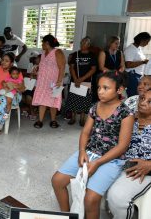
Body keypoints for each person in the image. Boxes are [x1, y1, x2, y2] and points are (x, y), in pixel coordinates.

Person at [51, 71, 134, 219]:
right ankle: (66, 215)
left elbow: (123, 146)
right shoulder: (95, 107)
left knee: (90, 199)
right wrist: (82, 151)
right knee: (57, 181)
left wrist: (98, 163)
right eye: (98, 87)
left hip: (111, 159)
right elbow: (85, 133)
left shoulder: (126, 113)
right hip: (89, 152)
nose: (100, 92)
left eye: (106, 88)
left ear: (119, 90)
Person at [107, 89, 151, 219]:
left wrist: (149, 164)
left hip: (143, 171)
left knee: (117, 196)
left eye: (149, 101)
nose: (143, 103)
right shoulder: (129, 118)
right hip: (120, 163)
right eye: (142, 98)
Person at [32, 34, 66, 129]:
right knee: (42, 101)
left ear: (47, 43)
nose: (42, 44)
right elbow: (44, 66)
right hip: (43, 82)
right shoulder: (43, 54)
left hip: (55, 82)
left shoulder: (57, 52)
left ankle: (53, 120)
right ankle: (40, 120)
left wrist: (59, 81)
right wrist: (36, 71)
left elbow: (62, 67)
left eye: (42, 42)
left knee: (53, 101)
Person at [65, 37, 97, 126]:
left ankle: (82, 119)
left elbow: (93, 69)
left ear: (89, 45)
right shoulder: (75, 55)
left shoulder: (92, 55)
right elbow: (71, 67)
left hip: (86, 81)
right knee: (74, 99)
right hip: (75, 81)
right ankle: (73, 118)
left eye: (85, 43)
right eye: (82, 42)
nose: (82, 45)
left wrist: (81, 79)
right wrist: (75, 79)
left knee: (85, 101)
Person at [0, 53, 25, 135]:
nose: (3, 62)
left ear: (12, 63)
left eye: (6, 61)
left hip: (14, 94)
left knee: (0, 102)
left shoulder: (16, 72)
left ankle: (0, 125)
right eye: (2, 60)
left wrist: (15, 87)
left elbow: (22, 89)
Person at [124, 32, 151, 97]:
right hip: (132, 75)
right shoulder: (130, 49)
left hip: (138, 76)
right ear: (142, 40)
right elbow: (128, 64)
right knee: (132, 95)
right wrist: (143, 62)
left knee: (137, 94)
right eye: (147, 42)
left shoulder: (138, 48)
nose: (147, 44)